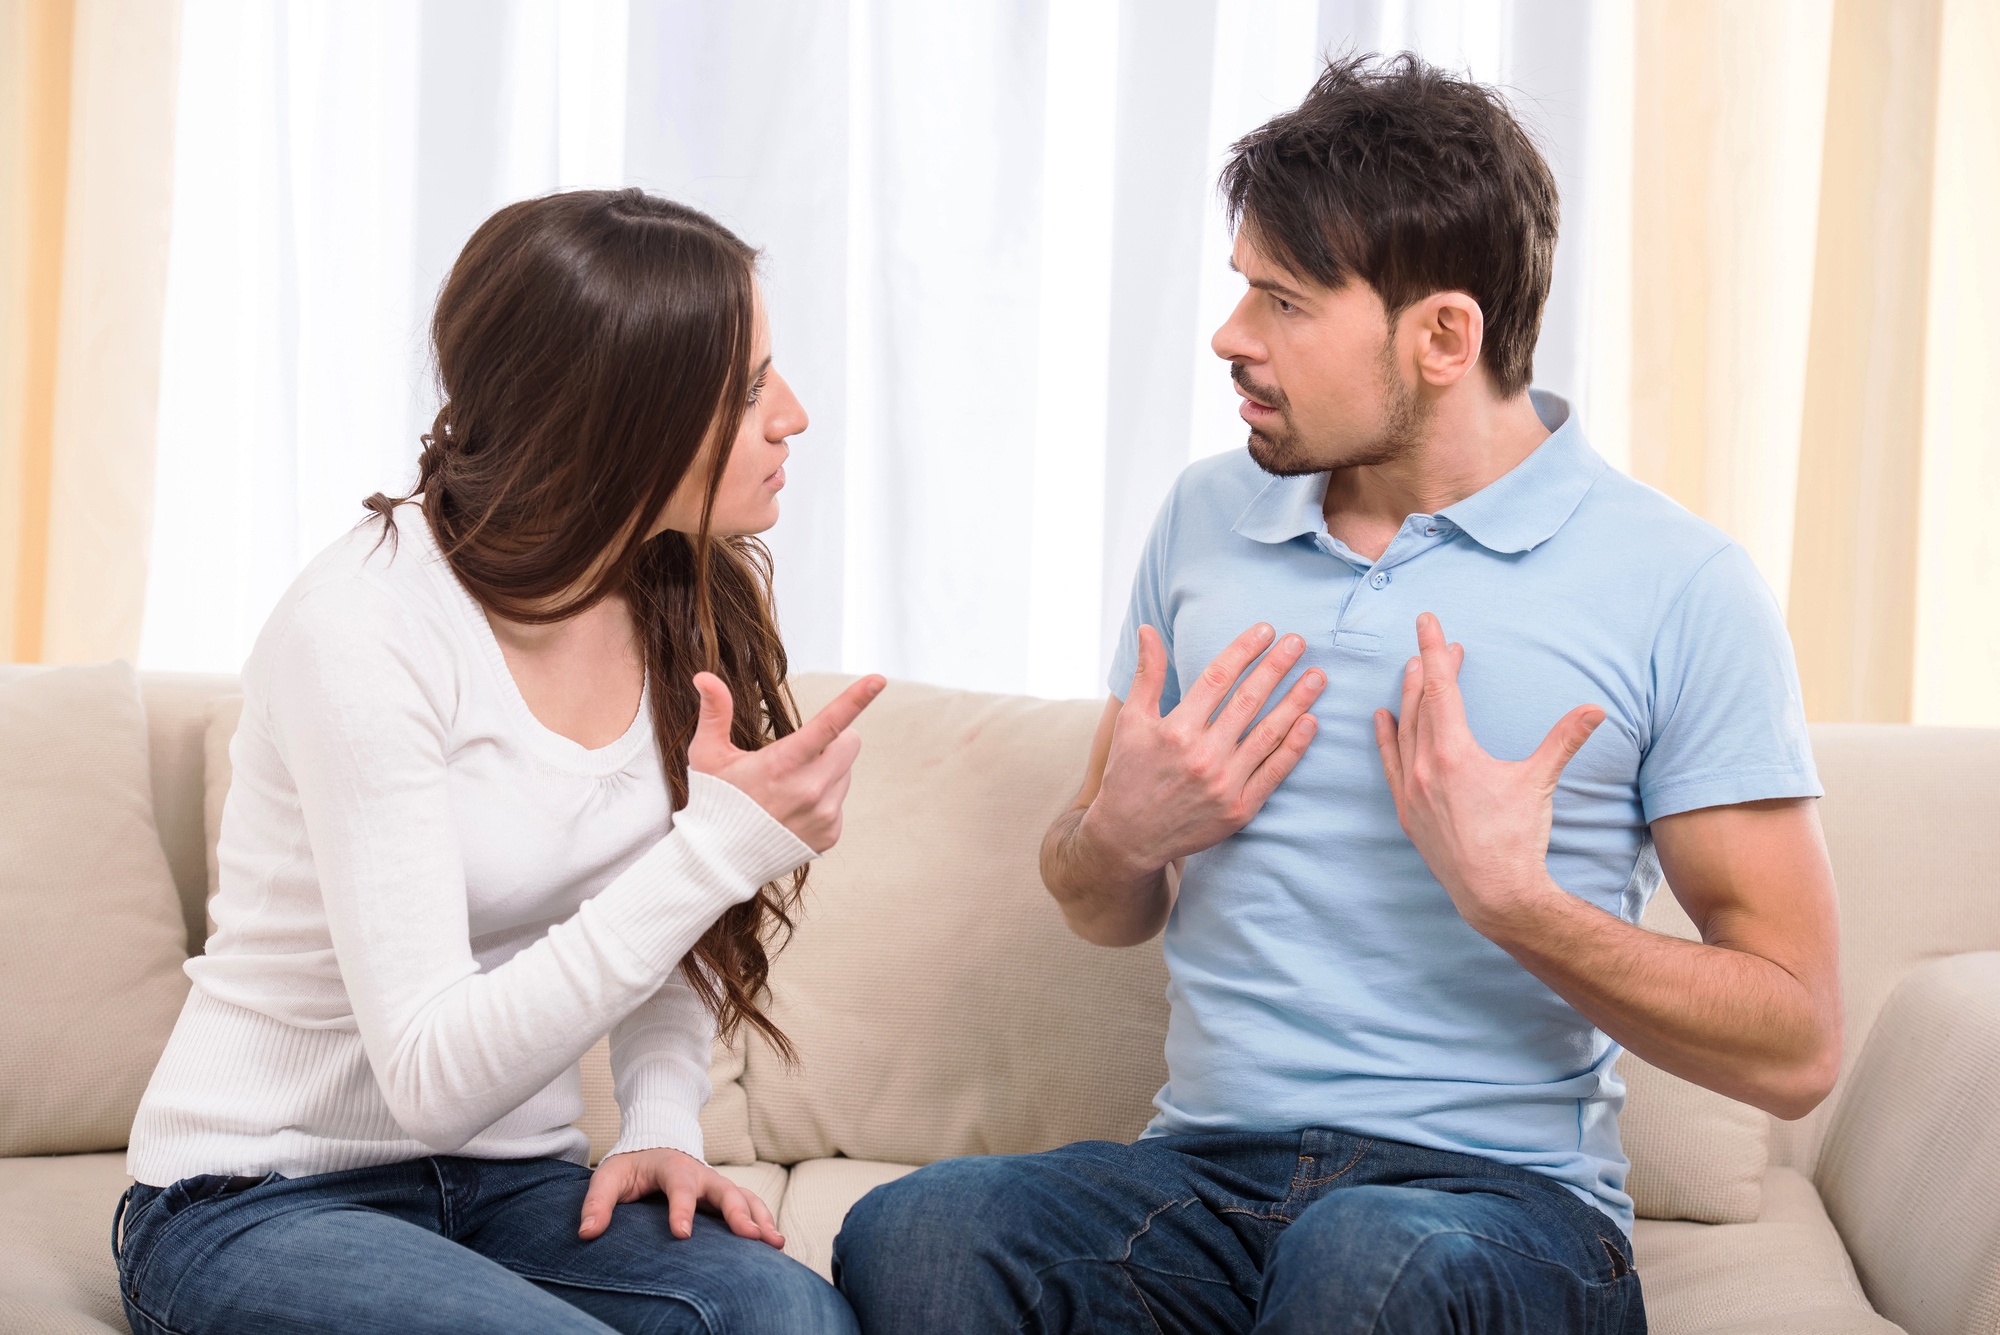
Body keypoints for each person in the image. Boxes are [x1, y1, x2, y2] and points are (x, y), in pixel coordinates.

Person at [833, 54, 1839, 1334]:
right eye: (1239, 286)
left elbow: (1796, 1043)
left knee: (1369, 1259)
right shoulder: (1204, 519)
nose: (1230, 335)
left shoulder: (1676, 583)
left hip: (1501, 1213)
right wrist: (1117, 841)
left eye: (1282, 300)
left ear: (1441, 337)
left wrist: (1514, 903)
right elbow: (1095, 902)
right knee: (919, 1232)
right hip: (1202, 1183)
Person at [115, 190, 878, 1335]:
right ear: (620, 415)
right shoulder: (365, 627)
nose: (796, 417)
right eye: (749, 388)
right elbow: (430, 1075)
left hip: (511, 1186)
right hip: (256, 1198)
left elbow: (665, 934)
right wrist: (715, 849)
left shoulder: (676, 584)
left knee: (789, 1320)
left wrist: (662, 1119)